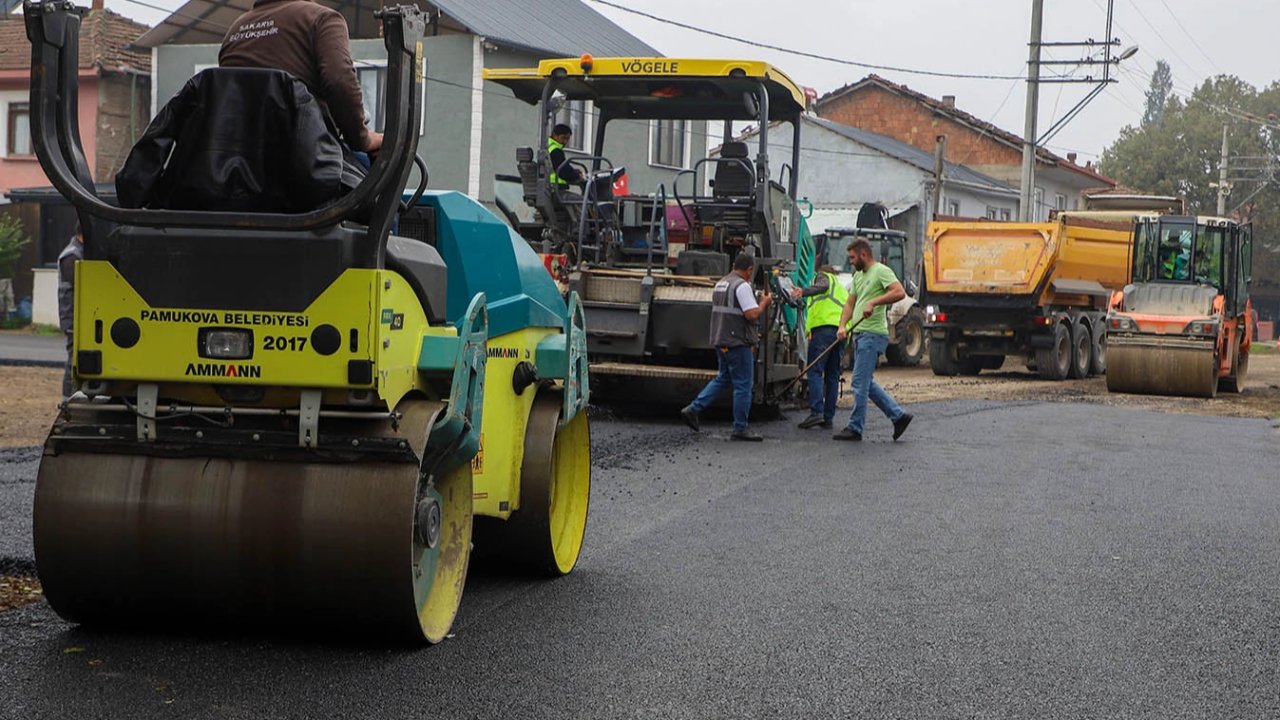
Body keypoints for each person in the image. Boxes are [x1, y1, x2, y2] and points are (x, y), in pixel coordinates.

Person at [219, 0, 382, 157]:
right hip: (306, 162)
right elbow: (339, 82)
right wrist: (363, 139)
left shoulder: (234, 31)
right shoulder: (322, 19)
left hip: (237, 162)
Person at [680, 252, 772, 441]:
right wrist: (764, 303)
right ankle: (740, 428)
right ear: (749, 270)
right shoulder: (742, 286)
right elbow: (751, 314)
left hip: (720, 339)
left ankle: (694, 408)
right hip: (737, 341)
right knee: (743, 385)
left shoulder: (721, 283)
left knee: (724, 378)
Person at [834, 238, 913, 442]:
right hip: (860, 334)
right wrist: (842, 326)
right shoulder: (859, 276)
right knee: (866, 382)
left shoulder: (881, 271)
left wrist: (874, 302)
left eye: (852, 257)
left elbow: (899, 292)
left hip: (873, 334)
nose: (850, 261)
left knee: (859, 382)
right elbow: (850, 304)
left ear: (864, 254)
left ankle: (855, 427)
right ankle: (898, 416)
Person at [790, 264, 849, 429]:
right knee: (832, 376)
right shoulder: (842, 289)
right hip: (840, 333)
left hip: (824, 330)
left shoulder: (824, 277)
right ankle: (828, 417)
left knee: (815, 371)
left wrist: (803, 291)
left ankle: (816, 413)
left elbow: (822, 286)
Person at [57, 224, 84, 397]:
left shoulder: (77, 252)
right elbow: (81, 285)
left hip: (76, 316)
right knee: (73, 359)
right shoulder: (72, 255)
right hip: (73, 316)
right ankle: (67, 398)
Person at [547, 123, 584, 188]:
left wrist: (574, 171)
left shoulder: (547, 147)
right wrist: (578, 176)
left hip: (549, 186)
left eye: (567, 139)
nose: (565, 142)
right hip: (556, 188)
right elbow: (563, 172)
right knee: (582, 198)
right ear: (555, 135)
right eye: (563, 138)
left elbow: (562, 167)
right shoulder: (556, 151)